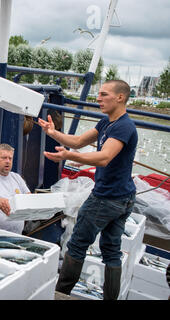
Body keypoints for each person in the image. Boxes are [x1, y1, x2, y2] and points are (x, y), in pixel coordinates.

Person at [38, 80, 137, 300]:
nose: (98, 98)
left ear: (120, 97)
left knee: (76, 245)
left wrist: (68, 155)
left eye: (104, 94)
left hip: (106, 198)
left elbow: (103, 158)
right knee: (112, 252)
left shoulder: (123, 126)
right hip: (123, 196)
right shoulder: (106, 122)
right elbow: (79, 141)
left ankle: (60, 294)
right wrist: (53, 133)